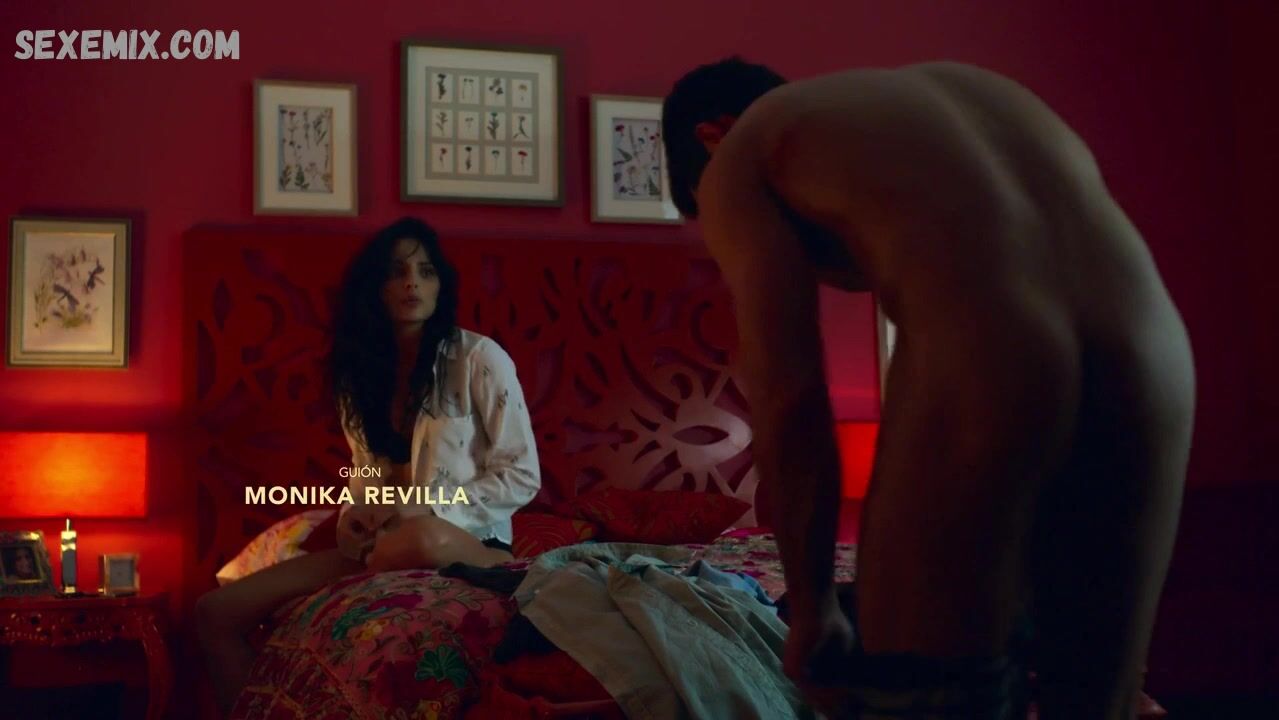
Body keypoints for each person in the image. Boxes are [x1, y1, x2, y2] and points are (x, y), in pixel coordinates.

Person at [662, 58, 1194, 719]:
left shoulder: (741, 150)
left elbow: (789, 394)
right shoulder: (961, 94)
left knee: (923, 694)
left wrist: (814, 607)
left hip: (995, 348)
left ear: (711, 134)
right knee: (1095, 692)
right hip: (1158, 351)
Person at [196, 217, 540, 713]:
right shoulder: (357, 375)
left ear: (441, 285)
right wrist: (352, 518)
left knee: (421, 537)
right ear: (374, 287)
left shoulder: (478, 358)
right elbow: (365, 478)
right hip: (382, 546)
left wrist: (422, 507)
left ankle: (506, 571)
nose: (412, 283)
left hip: (463, 538)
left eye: (426, 271)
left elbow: (522, 474)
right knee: (215, 612)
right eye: (396, 272)